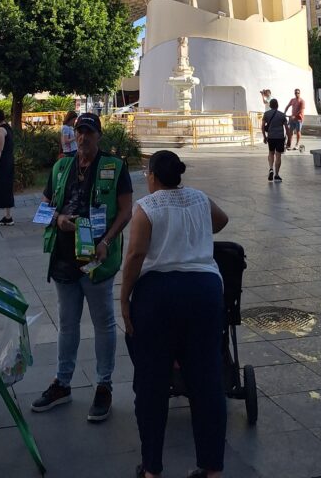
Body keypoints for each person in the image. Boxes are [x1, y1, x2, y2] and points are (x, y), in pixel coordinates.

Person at [120, 150, 229, 478]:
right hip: (205, 293)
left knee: (151, 385)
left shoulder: (147, 207)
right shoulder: (199, 198)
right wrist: (194, 234)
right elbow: (222, 220)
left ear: (153, 176)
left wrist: (124, 298)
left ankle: (152, 468)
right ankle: (211, 467)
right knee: (207, 382)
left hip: (159, 297)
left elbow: (136, 254)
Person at [31, 112, 133, 422]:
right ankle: (62, 383)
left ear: (99, 135)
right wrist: (58, 218)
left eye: (89, 132)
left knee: (103, 322)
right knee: (67, 323)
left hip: (97, 260)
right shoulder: (61, 167)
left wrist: (107, 241)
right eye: (80, 131)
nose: (84, 137)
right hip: (64, 258)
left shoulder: (115, 167)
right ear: (74, 135)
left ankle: (104, 385)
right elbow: (44, 207)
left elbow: (126, 211)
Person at [262, 98, 288, 182]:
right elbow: (286, 128)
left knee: (271, 153)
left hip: (271, 137)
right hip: (280, 137)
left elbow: (262, 127)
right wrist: (288, 139)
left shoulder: (266, 114)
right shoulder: (282, 115)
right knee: (278, 155)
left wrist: (264, 136)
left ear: (270, 106)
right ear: (277, 105)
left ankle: (271, 168)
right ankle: (276, 175)